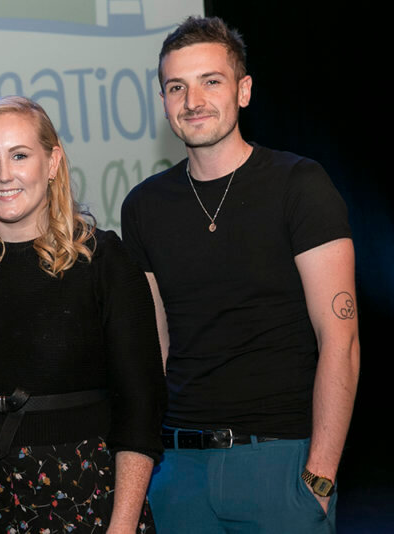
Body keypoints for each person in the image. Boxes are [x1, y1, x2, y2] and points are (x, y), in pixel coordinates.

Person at [121, 16, 360, 533]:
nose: (193, 100)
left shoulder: (300, 185)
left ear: (243, 91)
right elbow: (155, 347)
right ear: (163, 101)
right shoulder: (143, 206)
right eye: (176, 87)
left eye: (211, 81)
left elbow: (340, 338)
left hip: (280, 463)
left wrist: (319, 476)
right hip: (179, 469)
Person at [0, 96, 167, 533]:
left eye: (19, 155)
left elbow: (140, 410)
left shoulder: (104, 259)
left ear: (52, 162)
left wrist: (123, 526)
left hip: (83, 495)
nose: (3, 175)